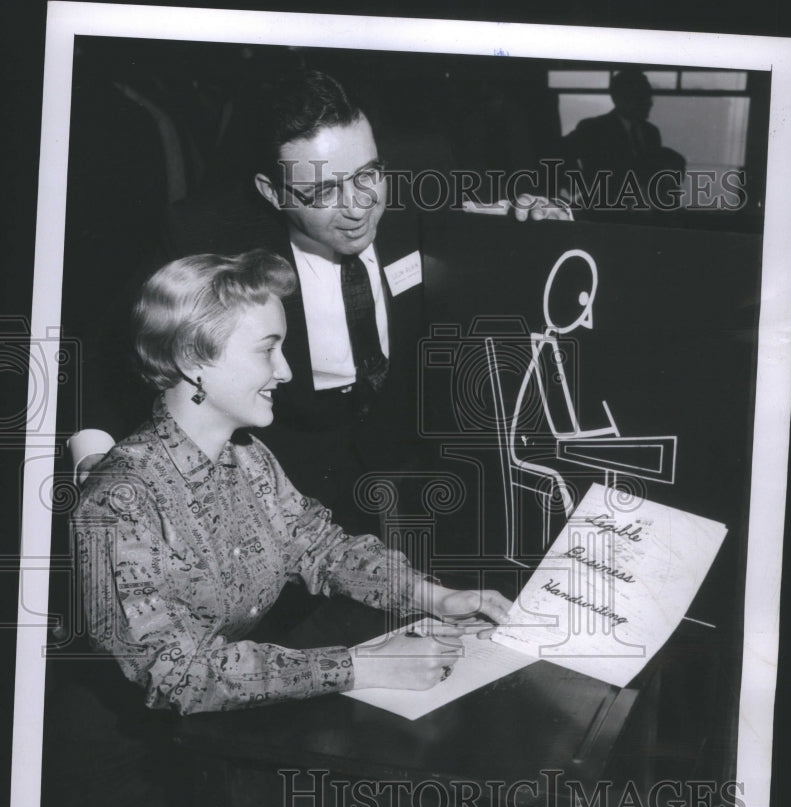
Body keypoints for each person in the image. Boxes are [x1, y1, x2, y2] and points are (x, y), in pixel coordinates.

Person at [43, 250, 511, 807]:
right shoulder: (118, 501)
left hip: (218, 742)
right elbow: (176, 675)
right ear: (193, 360)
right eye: (268, 349)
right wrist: (361, 665)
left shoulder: (249, 459)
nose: (286, 371)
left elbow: (322, 546)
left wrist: (431, 595)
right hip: (135, 776)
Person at [68, 69, 569, 530]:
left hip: (422, 456)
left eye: (368, 176)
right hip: (288, 467)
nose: (356, 209)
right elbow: (113, 355)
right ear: (273, 191)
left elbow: (512, 245)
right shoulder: (206, 233)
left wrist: (543, 228)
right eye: (323, 192)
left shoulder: (426, 182)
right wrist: (96, 454)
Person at [556, 68, 683, 212]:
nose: (649, 103)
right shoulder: (593, 128)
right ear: (619, 98)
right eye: (640, 97)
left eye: (649, 97)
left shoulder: (651, 132)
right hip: (603, 209)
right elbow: (562, 153)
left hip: (641, 210)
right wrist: (579, 188)